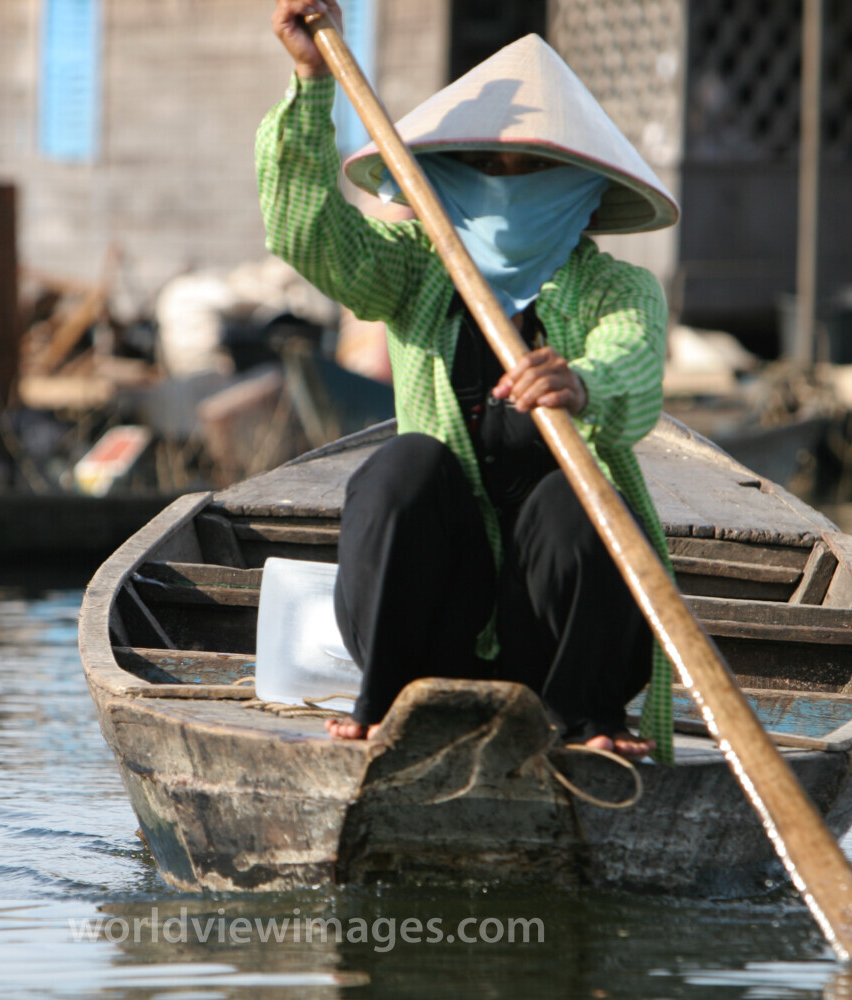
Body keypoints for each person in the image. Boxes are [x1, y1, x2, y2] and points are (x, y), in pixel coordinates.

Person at [260, 0, 679, 762]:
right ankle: (385, 701)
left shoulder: (616, 291)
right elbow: (307, 232)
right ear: (448, 177)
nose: (506, 188)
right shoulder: (415, 269)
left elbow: (634, 369)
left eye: (533, 169)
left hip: (563, 636)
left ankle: (584, 716)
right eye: (486, 168)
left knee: (577, 493)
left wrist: (582, 386)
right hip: (430, 629)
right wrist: (312, 82)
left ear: (582, 189)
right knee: (405, 466)